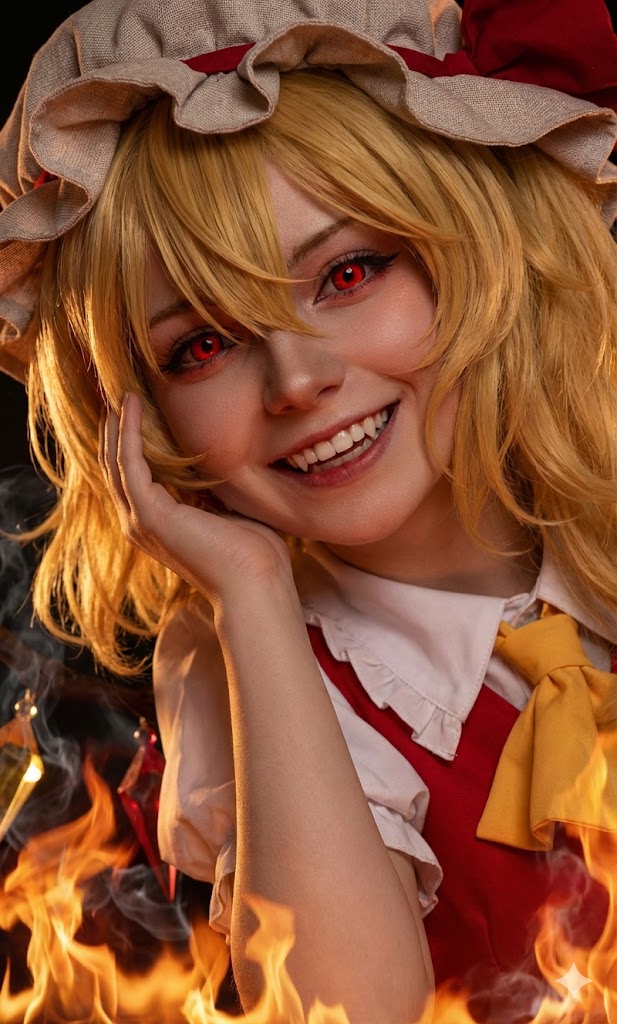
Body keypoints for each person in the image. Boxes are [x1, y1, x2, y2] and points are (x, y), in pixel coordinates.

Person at [1, 0, 616, 1020]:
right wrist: (250, 595)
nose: (295, 380)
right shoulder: (252, 678)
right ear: (138, 412)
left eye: (346, 273)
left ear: (477, 246)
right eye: (202, 345)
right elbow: (346, 1010)